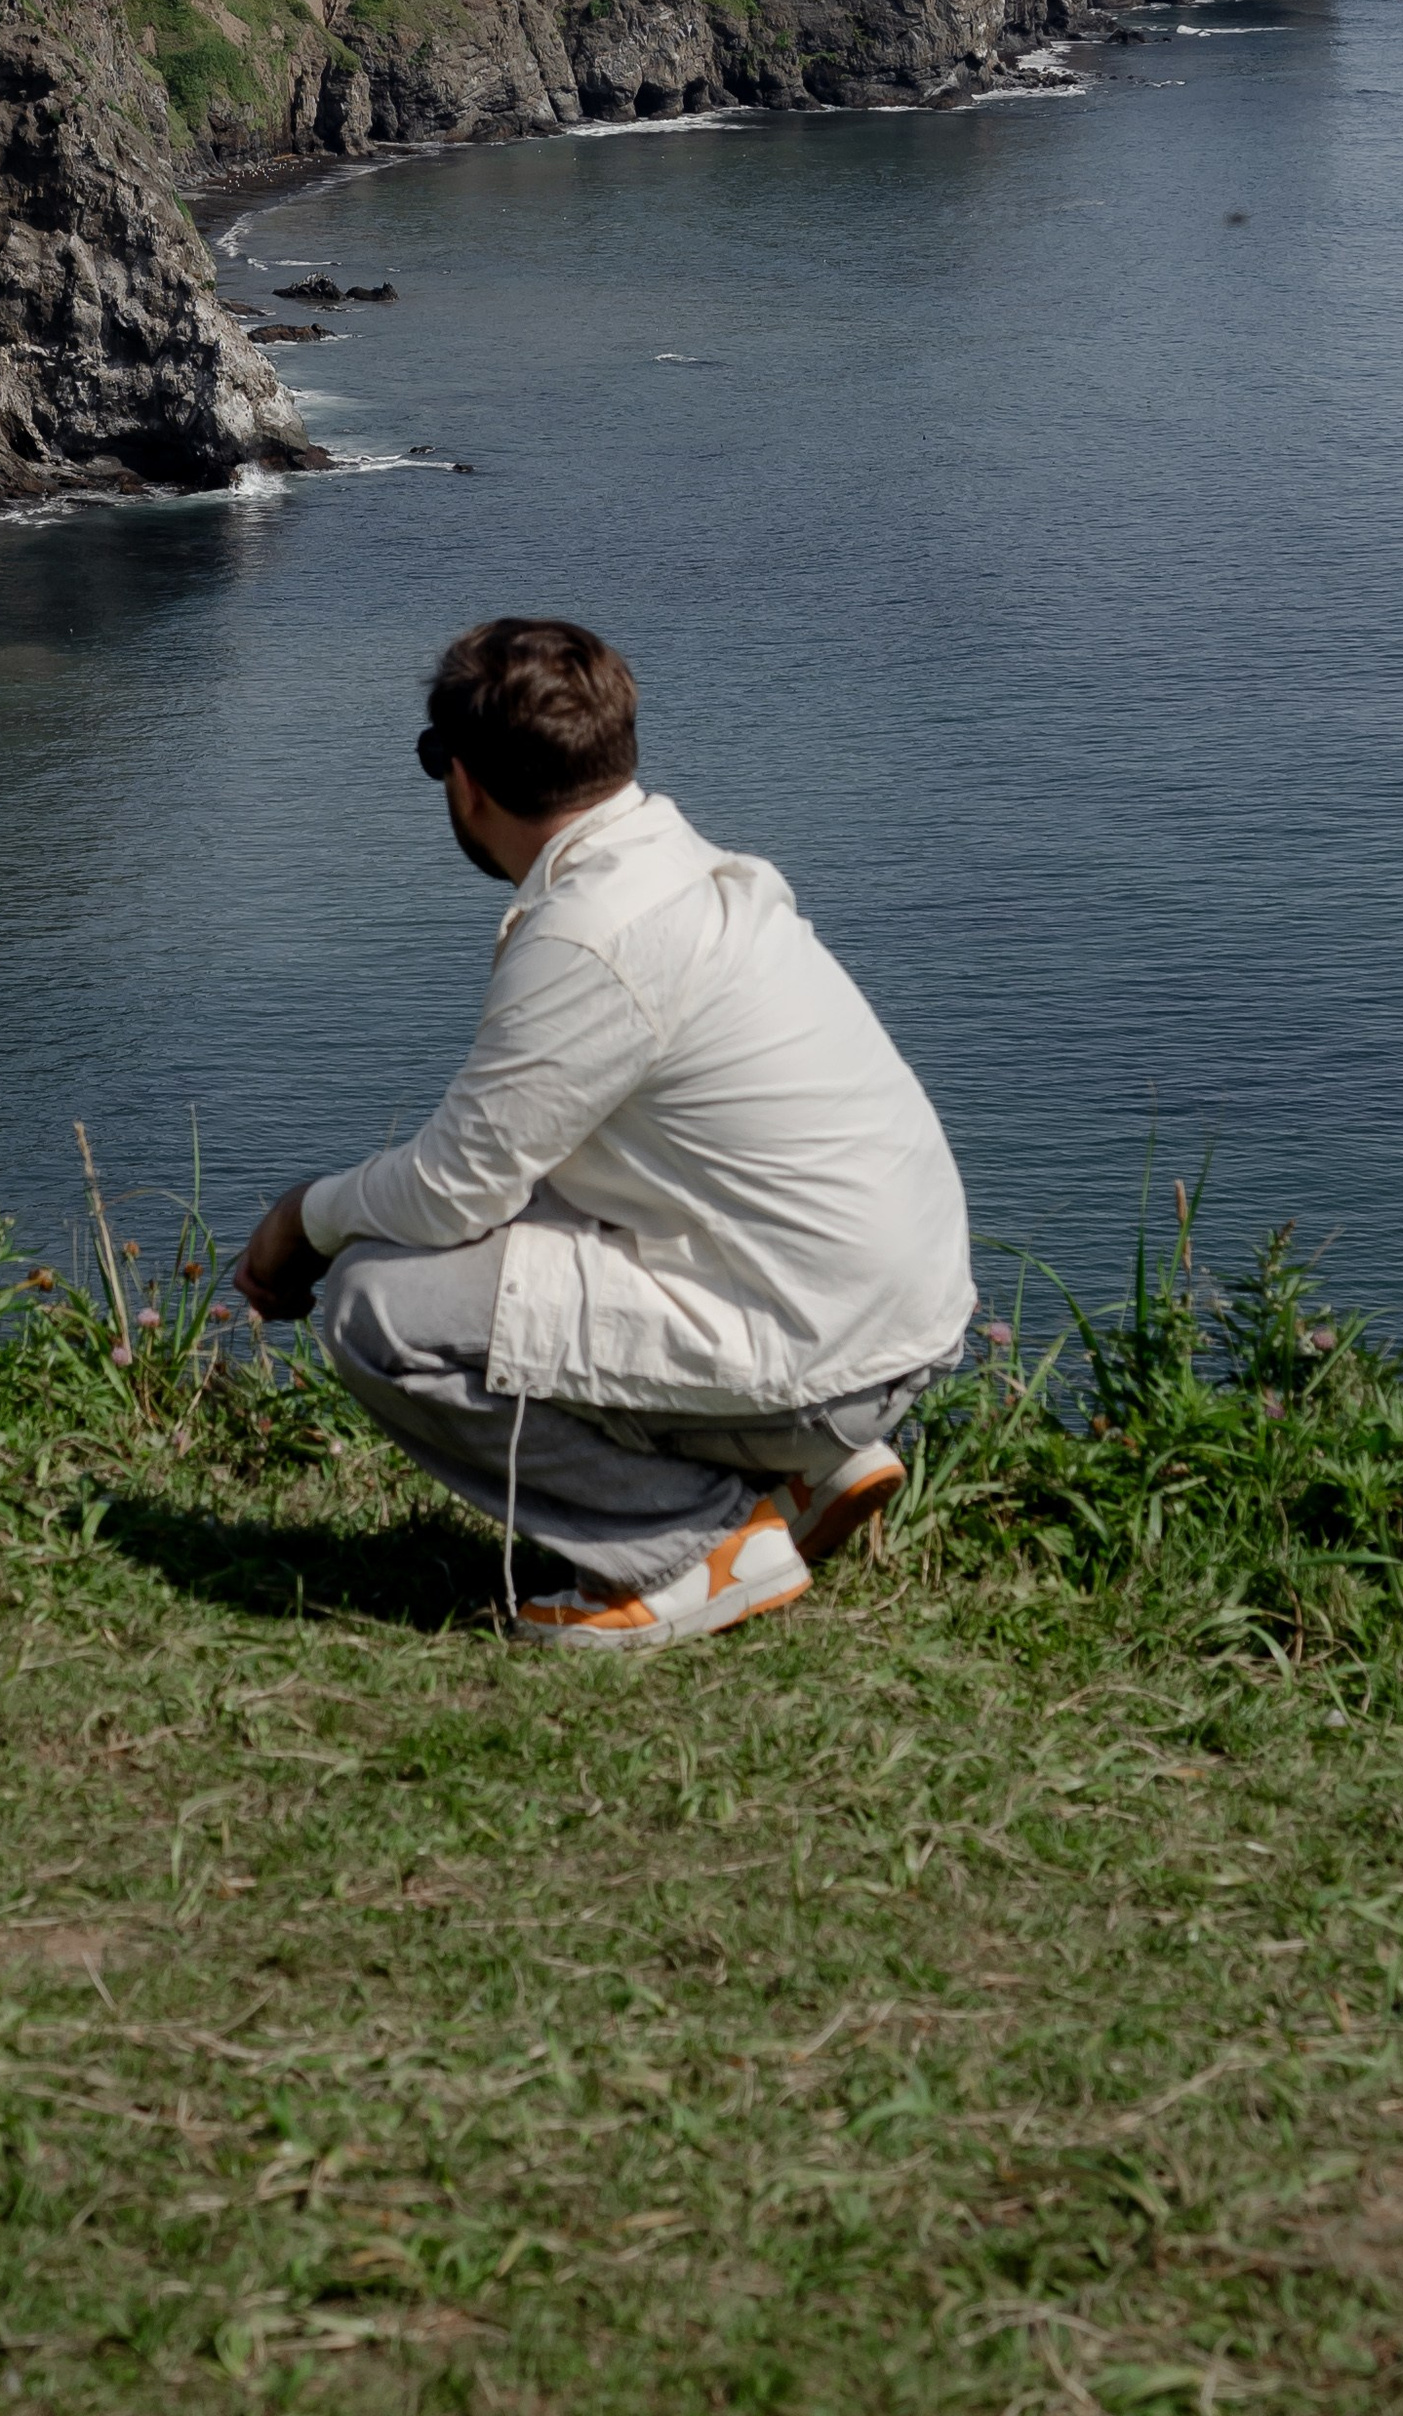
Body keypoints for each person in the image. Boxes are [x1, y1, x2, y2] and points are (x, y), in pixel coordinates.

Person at [231, 616, 972, 1652]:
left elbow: (452, 1189)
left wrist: (301, 1220)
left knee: (375, 1306)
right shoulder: (679, 866)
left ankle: (690, 1547)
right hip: (884, 1321)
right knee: (517, 1224)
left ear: (464, 784)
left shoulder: (592, 933)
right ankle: (792, 1474)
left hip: (826, 1355)